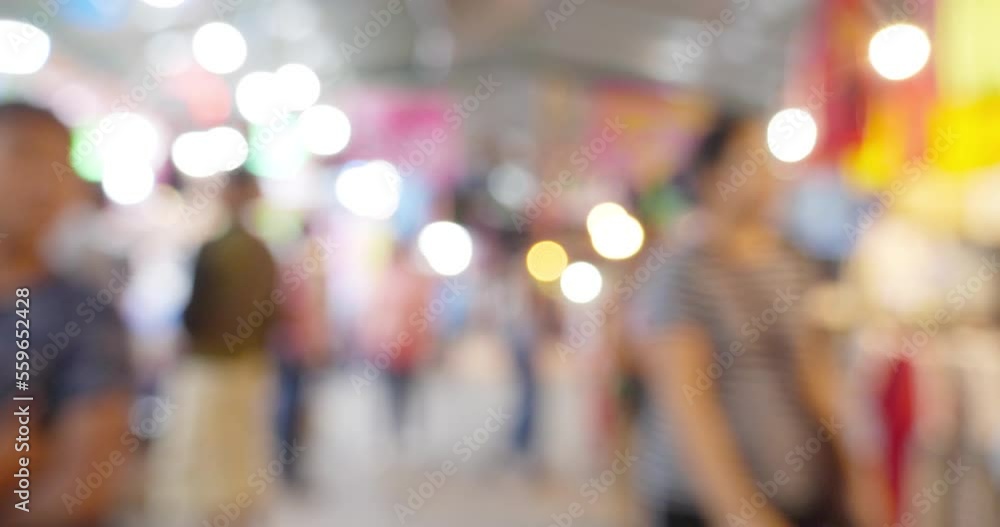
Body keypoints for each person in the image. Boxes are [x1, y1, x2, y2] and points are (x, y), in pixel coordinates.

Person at [637, 113, 888, 526]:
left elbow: (816, 375)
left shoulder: (794, 263)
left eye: (766, 159)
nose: (763, 174)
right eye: (747, 159)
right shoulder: (682, 273)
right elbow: (688, 404)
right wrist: (743, 513)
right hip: (702, 506)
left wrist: (856, 471)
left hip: (799, 495)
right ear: (710, 176)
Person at [0, 102, 133, 526]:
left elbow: (82, 486)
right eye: (24, 154)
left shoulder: (85, 314)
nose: (45, 184)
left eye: (60, 166)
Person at [152, 168, 279, 526]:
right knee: (236, 447)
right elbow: (271, 313)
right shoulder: (259, 252)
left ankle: (218, 511)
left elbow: (197, 311)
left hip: (213, 365)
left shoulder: (224, 249)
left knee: (208, 449)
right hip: (244, 363)